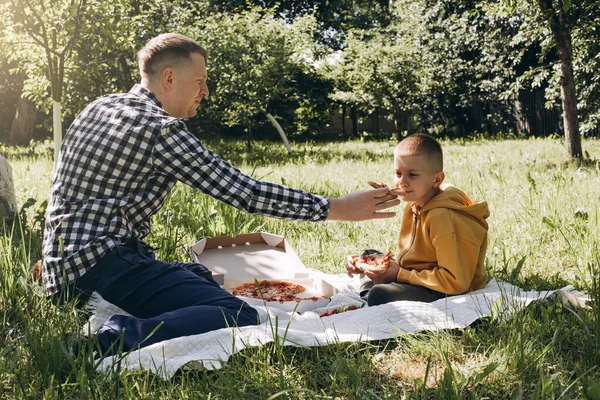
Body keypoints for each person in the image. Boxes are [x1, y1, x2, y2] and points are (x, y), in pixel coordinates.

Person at [41, 33, 400, 354]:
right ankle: (110, 339)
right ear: (169, 78)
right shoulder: (160, 130)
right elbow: (243, 192)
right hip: (100, 270)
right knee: (237, 312)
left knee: (199, 277)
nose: (206, 92)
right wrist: (336, 207)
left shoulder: (100, 107)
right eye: (200, 81)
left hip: (62, 271)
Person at [346, 133, 489, 306]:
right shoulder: (416, 204)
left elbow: (456, 281)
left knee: (380, 294)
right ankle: (374, 287)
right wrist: (370, 265)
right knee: (368, 255)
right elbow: (412, 258)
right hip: (417, 275)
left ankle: (371, 293)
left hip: (443, 289)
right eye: (398, 173)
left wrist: (399, 274)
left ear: (437, 179)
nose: (402, 182)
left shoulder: (443, 217)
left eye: (412, 175)